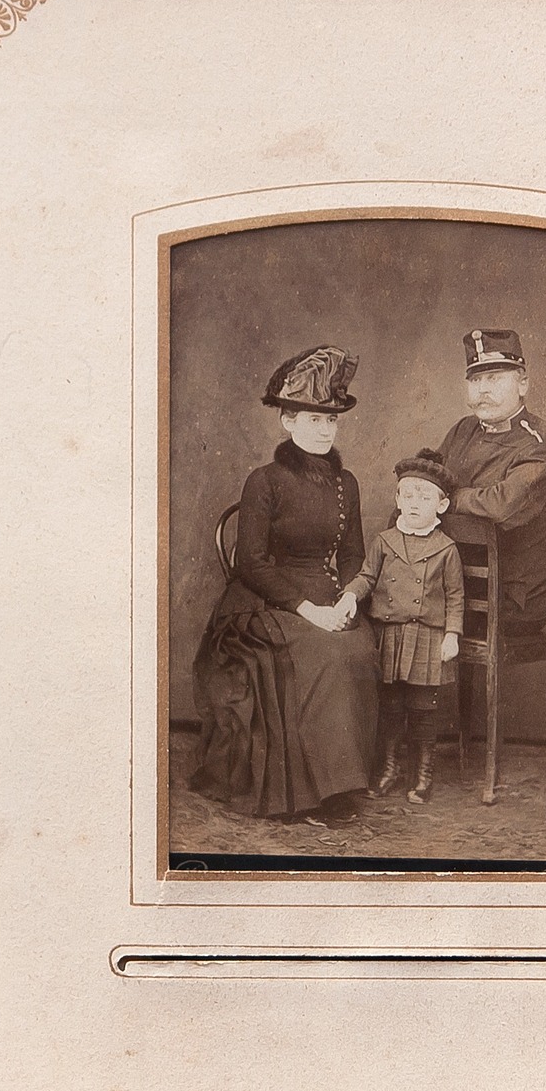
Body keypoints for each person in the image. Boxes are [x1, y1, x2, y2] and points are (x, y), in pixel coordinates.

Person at [189, 345, 379, 823]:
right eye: (313, 419)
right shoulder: (265, 481)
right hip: (263, 602)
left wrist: (349, 596)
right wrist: (308, 610)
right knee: (324, 653)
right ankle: (317, 793)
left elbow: (353, 555)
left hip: (327, 594)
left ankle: (346, 780)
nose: (325, 430)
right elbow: (251, 563)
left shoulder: (347, 483)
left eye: (331, 420)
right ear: (288, 421)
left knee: (359, 646)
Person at [337, 449, 464, 805]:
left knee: (423, 709)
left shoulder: (446, 549)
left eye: (424, 497)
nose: (414, 504)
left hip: (427, 637)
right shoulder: (385, 541)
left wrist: (452, 634)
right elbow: (366, 576)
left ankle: (423, 775)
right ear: (397, 500)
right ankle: (389, 769)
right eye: (407, 495)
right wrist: (350, 595)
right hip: (390, 635)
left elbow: (456, 596)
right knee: (391, 708)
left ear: (441, 505)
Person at [435, 328, 546, 634]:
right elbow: (425, 483)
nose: (483, 389)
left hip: (513, 598)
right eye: (475, 380)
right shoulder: (462, 431)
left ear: (523, 384)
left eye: (494, 378)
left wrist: (447, 499)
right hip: (458, 587)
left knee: (411, 615)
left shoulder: (543, 446)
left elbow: (500, 506)